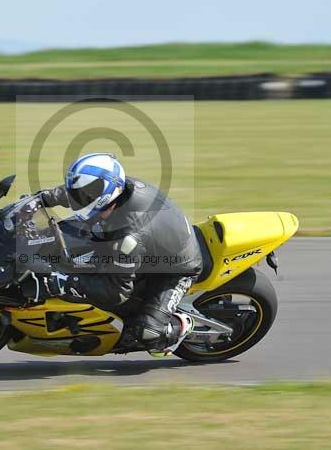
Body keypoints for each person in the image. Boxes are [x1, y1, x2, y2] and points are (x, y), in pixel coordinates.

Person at [22, 152, 204, 356]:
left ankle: (182, 324)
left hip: (177, 268)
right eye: (81, 193)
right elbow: (78, 191)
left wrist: (64, 282)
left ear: (106, 193)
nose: (78, 198)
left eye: (85, 194)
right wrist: (43, 199)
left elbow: (116, 293)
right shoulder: (118, 188)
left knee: (147, 334)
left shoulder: (127, 236)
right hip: (154, 245)